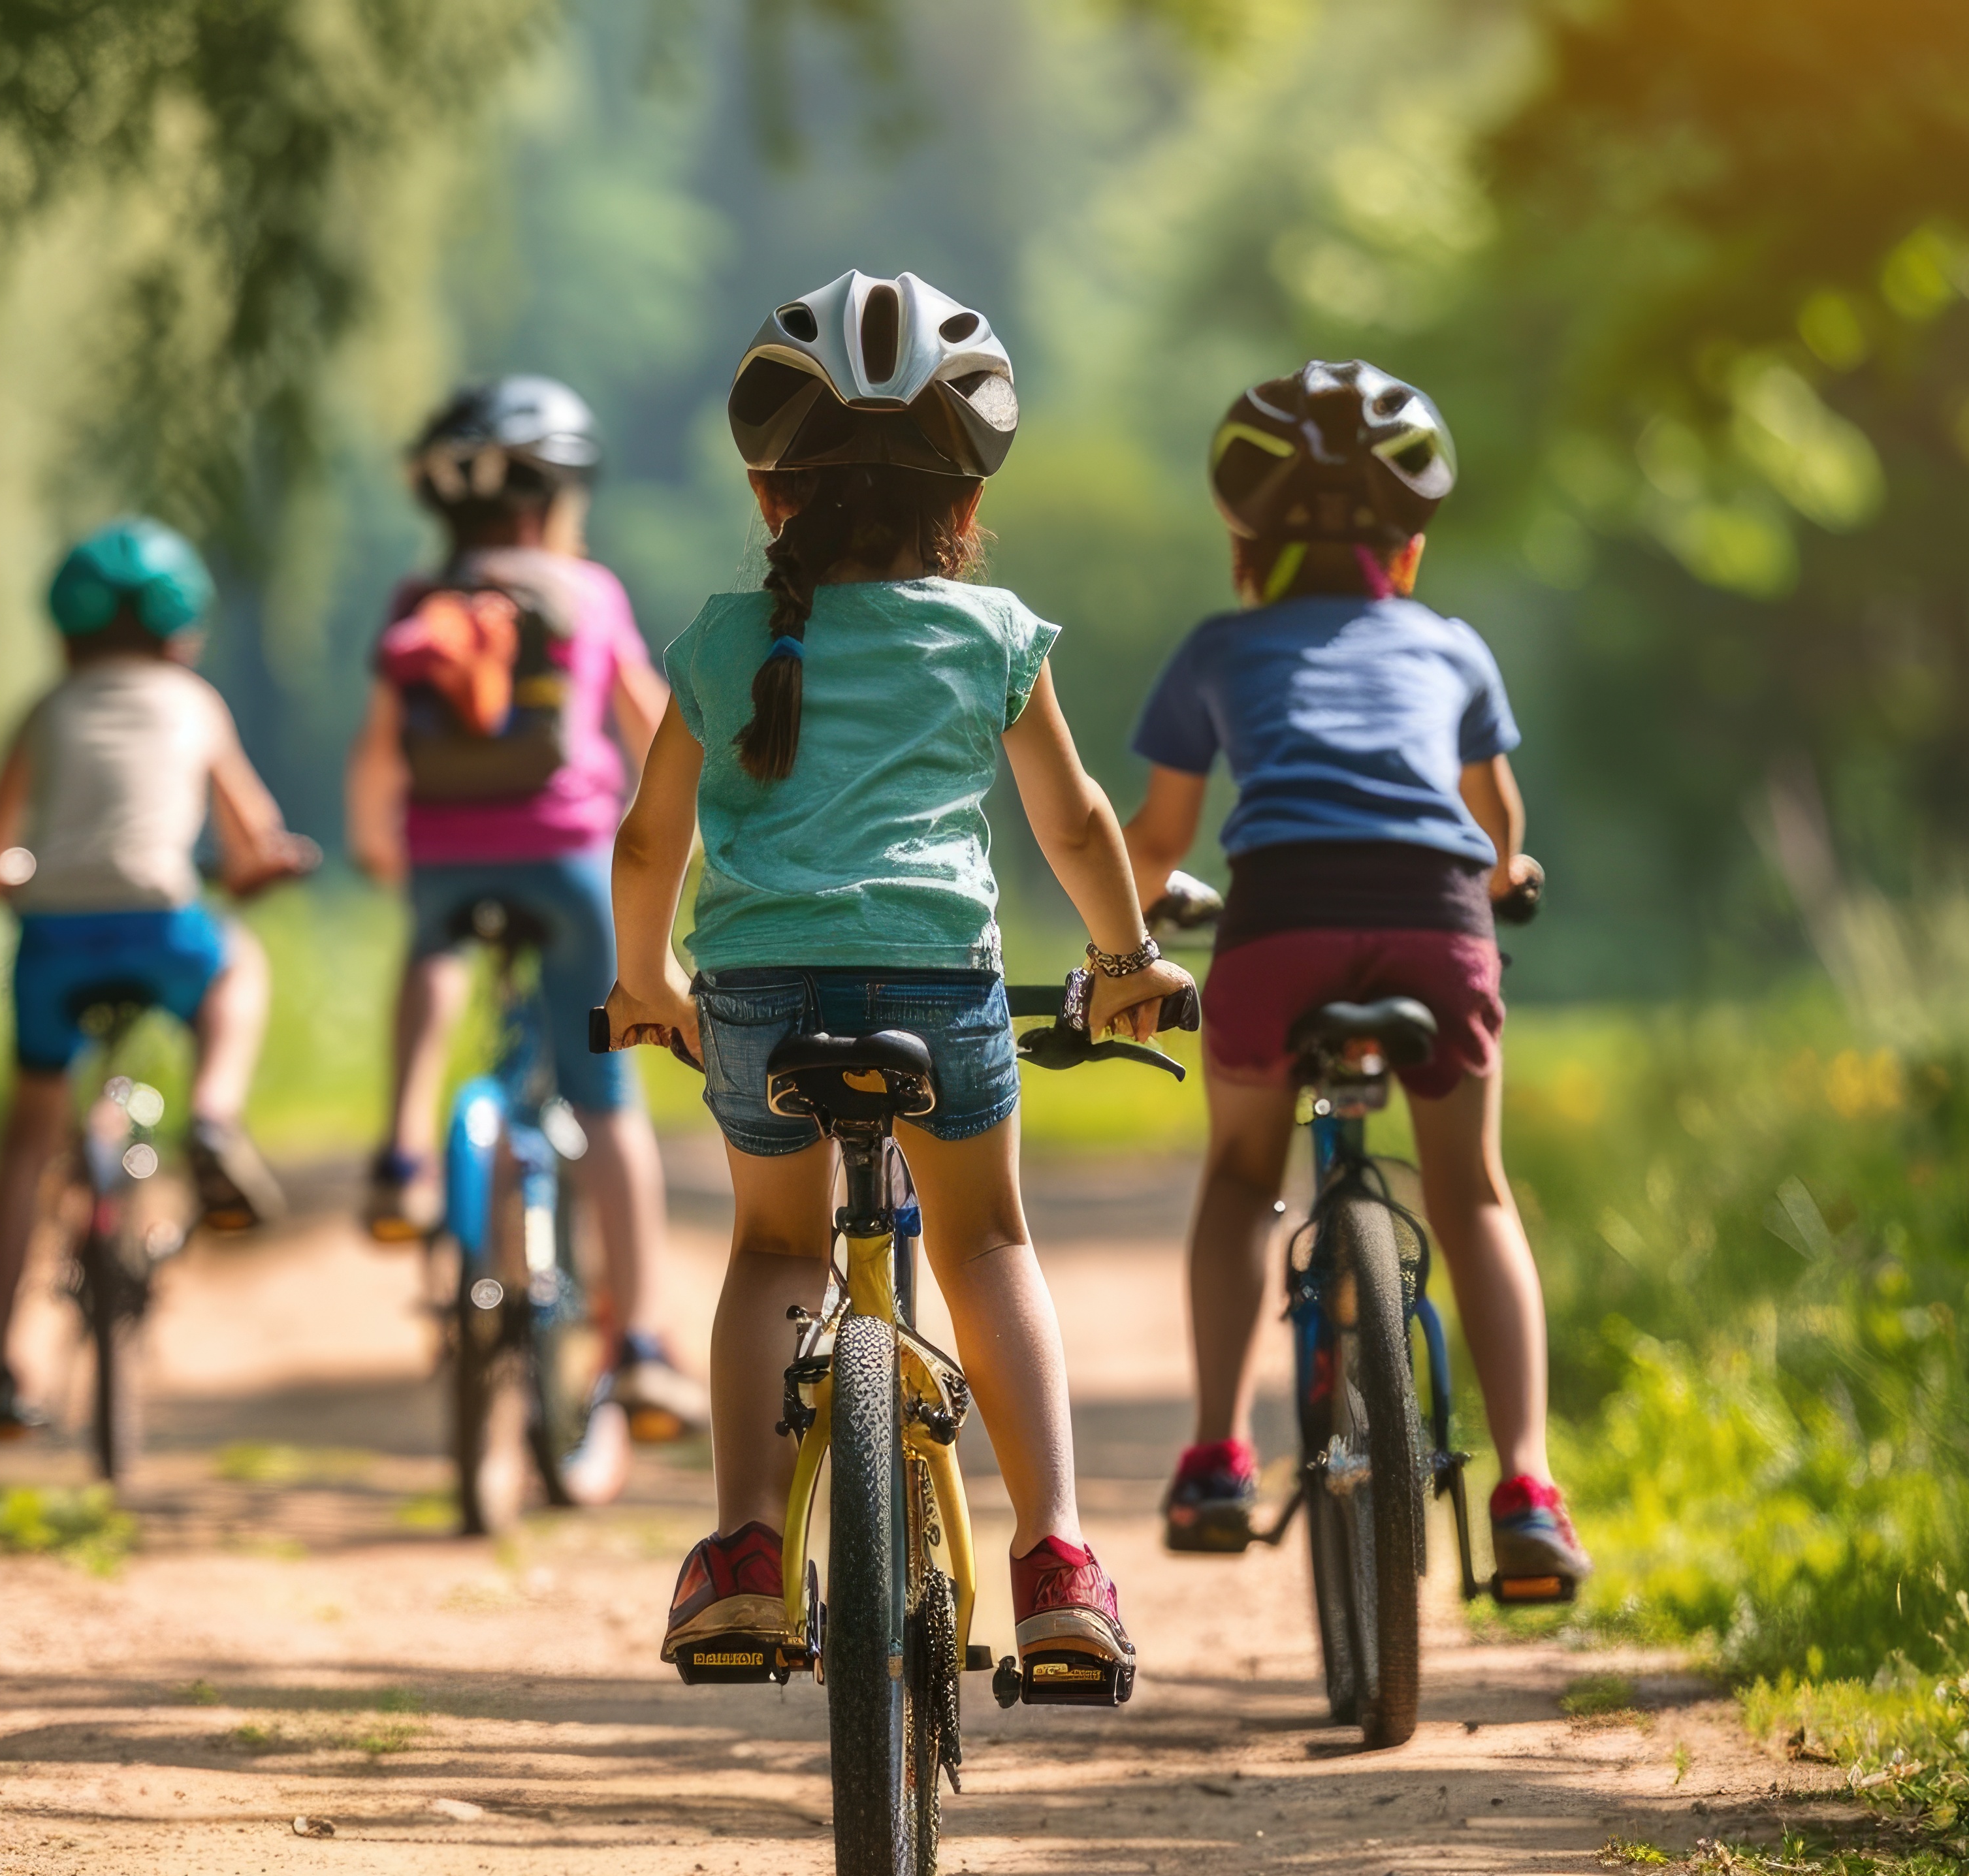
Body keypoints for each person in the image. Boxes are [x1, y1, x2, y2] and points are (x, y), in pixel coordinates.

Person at [603, 270, 1195, 1685]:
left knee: (767, 1253)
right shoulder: (993, 635)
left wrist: (650, 987)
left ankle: (746, 1546)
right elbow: (1073, 824)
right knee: (985, 1243)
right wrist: (1120, 962)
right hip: (938, 987)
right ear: (961, 505)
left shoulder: (715, 636)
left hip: (754, 993)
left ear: (771, 496)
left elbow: (644, 841)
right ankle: (1055, 1556)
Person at [1119, 359, 1586, 1593]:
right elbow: (1497, 840)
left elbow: (1158, 841)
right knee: (1475, 1192)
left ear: (1242, 553)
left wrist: (1129, 915)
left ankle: (1219, 1454)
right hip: (1435, 926)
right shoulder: (1452, 648)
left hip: (1280, 924)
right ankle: (1531, 1489)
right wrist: (1504, 881)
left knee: (1234, 1174)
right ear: (1412, 552)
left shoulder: (1218, 648)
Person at [346, 375, 707, 1436]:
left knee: (432, 957)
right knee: (606, 1105)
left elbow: (378, 750)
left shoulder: (419, 604)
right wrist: (693, 833)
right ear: (558, 497)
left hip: (446, 857)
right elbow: (650, 725)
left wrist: (382, 844)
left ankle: (405, 1152)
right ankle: (637, 1341)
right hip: (566, 861)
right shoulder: (586, 593)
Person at [0, 517, 309, 1440]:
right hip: (162, 922)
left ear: (63, 628)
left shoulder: (49, 707)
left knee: (28, 1130)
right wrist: (260, 869)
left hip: (53, 937)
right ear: (181, 627)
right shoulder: (193, 702)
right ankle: (215, 1116)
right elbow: (252, 837)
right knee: (237, 964)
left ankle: (1, 1365)